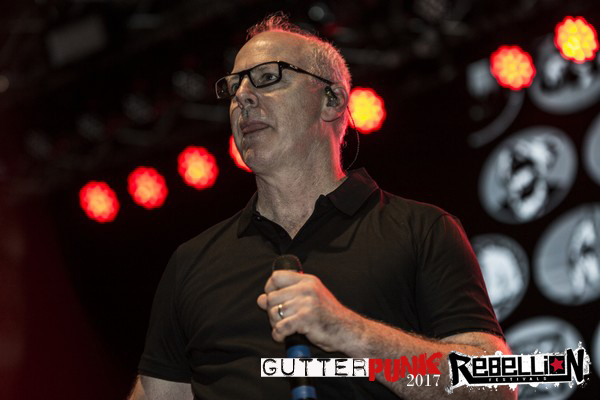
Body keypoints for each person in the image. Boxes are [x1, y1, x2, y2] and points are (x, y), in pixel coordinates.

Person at [129, 14, 515, 400]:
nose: (242, 97)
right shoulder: (191, 263)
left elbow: (498, 384)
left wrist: (349, 332)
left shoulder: (422, 229)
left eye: (268, 77)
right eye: (234, 87)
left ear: (332, 100)